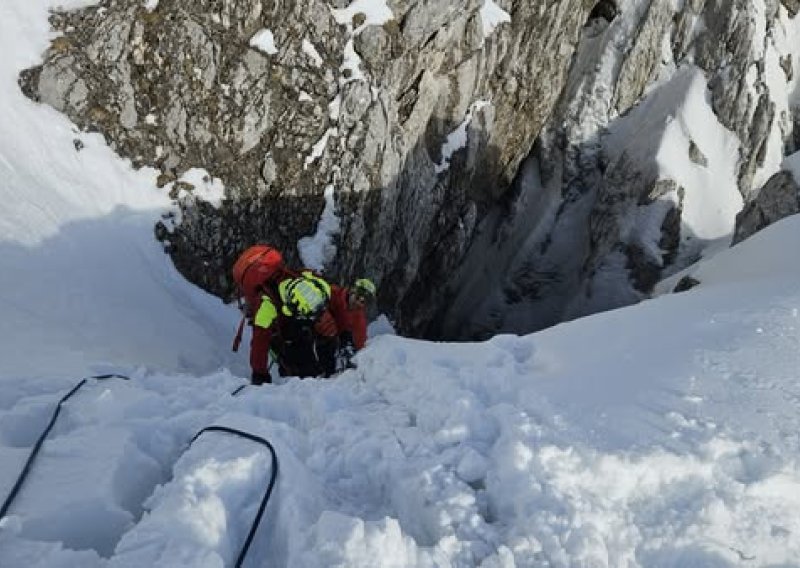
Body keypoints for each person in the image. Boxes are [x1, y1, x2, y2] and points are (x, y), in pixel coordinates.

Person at [231, 245, 372, 385]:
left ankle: (324, 371)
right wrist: (259, 374)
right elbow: (259, 342)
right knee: (302, 360)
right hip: (288, 336)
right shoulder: (267, 307)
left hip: (300, 328)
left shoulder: (318, 285)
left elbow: (338, 302)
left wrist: (345, 336)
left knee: (324, 331)